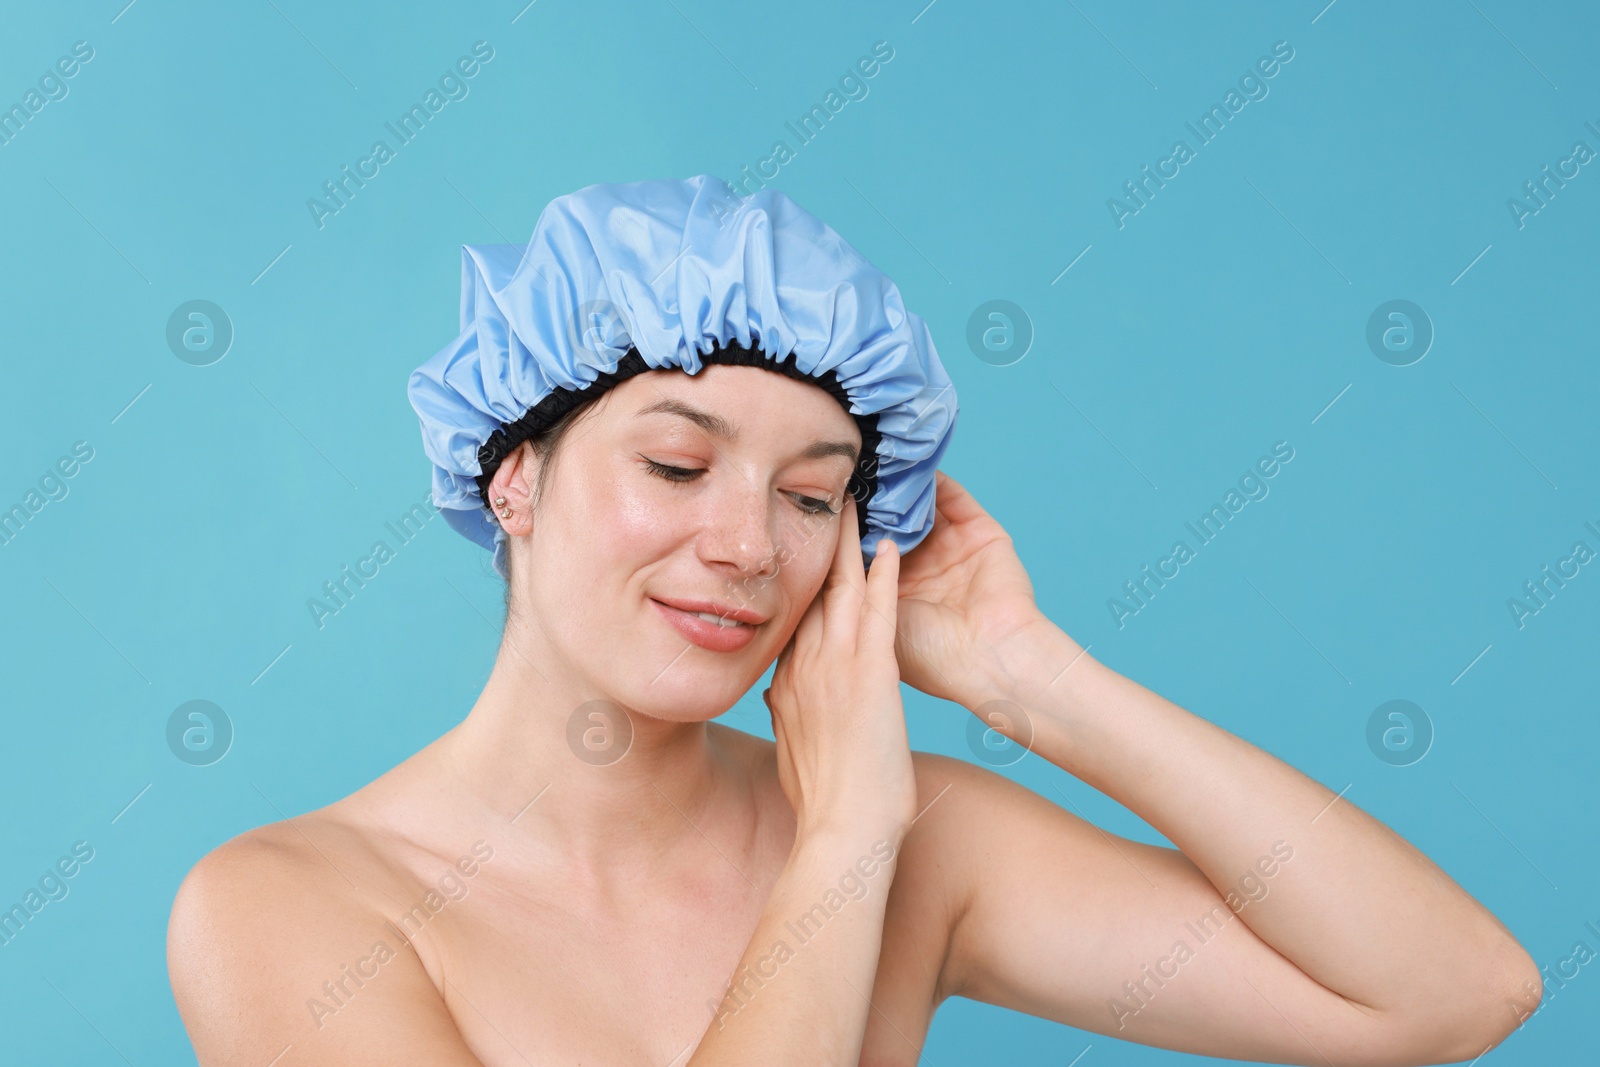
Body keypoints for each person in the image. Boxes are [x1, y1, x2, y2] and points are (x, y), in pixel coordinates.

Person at [167, 177, 1540, 1066]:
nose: (748, 546)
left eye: (816, 497)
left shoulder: (917, 835)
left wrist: (1030, 684)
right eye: (675, 465)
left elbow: (1451, 990)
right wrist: (838, 851)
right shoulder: (292, 910)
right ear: (512, 475)